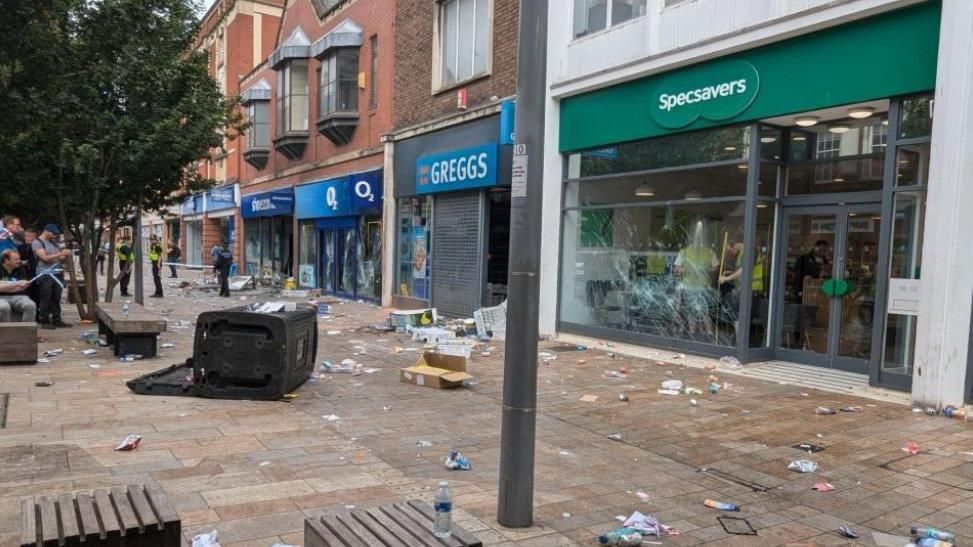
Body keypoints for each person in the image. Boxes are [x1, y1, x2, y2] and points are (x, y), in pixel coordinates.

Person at [32, 224, 72, 329]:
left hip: (57, 273)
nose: (55, 236)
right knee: (45, 297)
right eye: (53, 233)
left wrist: (65, 254)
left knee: (56, 297)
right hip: (45, 274)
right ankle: (44, 320)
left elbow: (60, 256)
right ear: (46, 231)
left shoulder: (53, 243)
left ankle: (56, 319)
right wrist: (60, 254)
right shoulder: (37, 243)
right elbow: (44, 258)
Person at [0, 249, 37, 322]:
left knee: (31, 305)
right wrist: (17, 283)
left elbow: (23, 287)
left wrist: (4, 286)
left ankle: (26, 332)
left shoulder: (20, 268)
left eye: (19, 259)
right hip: (1, 297)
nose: (19, 261)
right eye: (16, 259)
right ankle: (5, 332)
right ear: (6, 260)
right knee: (4, 307)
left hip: (19, 296)